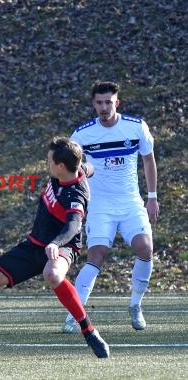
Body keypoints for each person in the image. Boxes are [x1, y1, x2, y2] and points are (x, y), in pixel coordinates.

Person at [0, 136, 110, 359]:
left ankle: (89, 332)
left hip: (63, 247)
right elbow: (87, 168)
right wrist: (91, 168)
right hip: (34, 246)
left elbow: (73, 225)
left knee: (52, 274)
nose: (47, 164)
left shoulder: (76, 194)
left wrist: (55, 243)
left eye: (50, 161)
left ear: (61, 166)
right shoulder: (73, 170)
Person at [62, 81, 159, 333]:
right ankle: (75, 315)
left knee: (145, 247)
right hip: (100, 205)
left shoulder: (136, 127)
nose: (104, 107)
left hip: (130, 202)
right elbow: (68, 166)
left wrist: (152, 196)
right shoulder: (83, 135)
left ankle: (135, 305)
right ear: (93, 104)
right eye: (99, 103)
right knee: (97, 254)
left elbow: (148, 159)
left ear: (117, 102)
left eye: (108, 102)